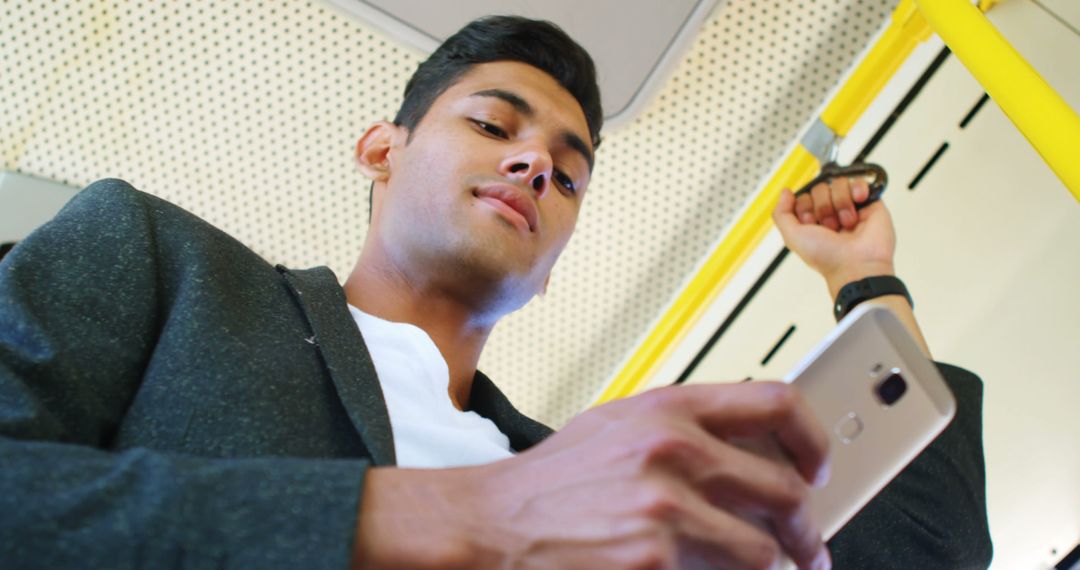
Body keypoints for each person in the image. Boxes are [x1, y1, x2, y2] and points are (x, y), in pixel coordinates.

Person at [0, 15, 991, 570]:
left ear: (553, 264)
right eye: (492, 125)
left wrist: (865, 278)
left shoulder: (580, 485)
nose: (534, 167)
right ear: (380, 150)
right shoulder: (156, 260)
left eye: (568, 173)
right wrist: (462, 514)